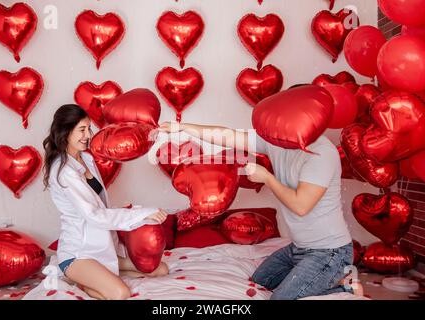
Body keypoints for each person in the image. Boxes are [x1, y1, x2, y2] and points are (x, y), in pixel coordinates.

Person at [159, 119, 362, 300]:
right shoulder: (278, 141)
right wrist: (183, 127)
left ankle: (348, 289)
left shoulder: (322, 152)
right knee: (260, 282)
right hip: (298, 248)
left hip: (329, 252)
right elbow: (227, 135)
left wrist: (267, 178)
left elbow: (301, 205)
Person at [43, 104, 169, 300]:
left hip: (102, 248)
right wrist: (142, 213)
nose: (87, 135)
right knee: (120, 293)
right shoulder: (64, 171)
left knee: (160, 269)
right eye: (81, 130)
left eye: (88, 128)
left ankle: (101, 276)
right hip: (78, 254)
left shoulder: (86, 158)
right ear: (66, 132)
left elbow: (102, 205)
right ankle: (82, 281)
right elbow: (95, 215)